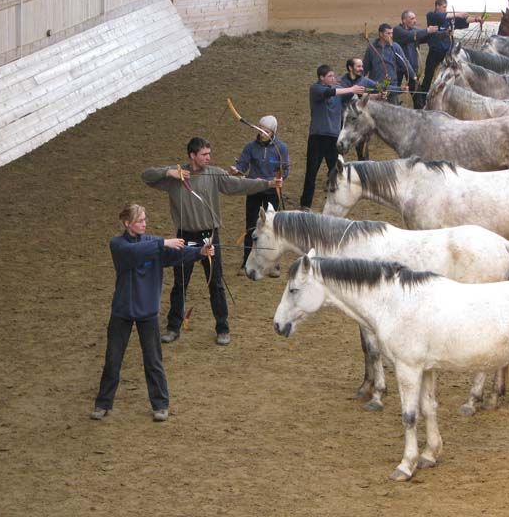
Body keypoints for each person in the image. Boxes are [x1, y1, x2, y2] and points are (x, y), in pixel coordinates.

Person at [142, 137, 282, 346]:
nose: (209, 158)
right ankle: (173, 327)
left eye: (209, 154)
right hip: (186, 237)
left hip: (209, 236)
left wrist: (268, 183)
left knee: (215, 283)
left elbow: (239, 185)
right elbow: (146, 176)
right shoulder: (176, 175)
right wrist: (168, 172)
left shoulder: (214, 174)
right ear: (192, 155)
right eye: (204, 154)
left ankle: (222, 327)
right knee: (181, 283)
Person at [90, 203, 214, 422]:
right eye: (140, 221)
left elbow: (176, 255)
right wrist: (164, 242)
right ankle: (103, 403)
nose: (144, 224)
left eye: (145, 220)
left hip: (147, 312)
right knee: (113, 359)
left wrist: (200, 253)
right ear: (127, 223)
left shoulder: (152, 243)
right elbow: (135, 252)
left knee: (153, 360)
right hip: (122, 311)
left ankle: (160, 404)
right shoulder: (118, 245)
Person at [299, 65, 365, 210]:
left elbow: (358, 97)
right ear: (321, 77)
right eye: (330, 76)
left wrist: (378, 95)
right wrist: (351, 89)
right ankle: (305, 204)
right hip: (317, 137)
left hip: (333, 139)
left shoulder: (340, 93)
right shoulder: (315, 89)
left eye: (334, 76)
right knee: (311, 172)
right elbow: (331, 92)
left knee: (337, 171)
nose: (333, 78)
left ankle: (339, 200)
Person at [230, 115, 290, 270]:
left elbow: (285, 169)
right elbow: (242, 165)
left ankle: (274, 262)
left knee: (272, 227)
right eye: (260, 129)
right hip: (254, 189)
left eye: (266, 131)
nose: (262, 132)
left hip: (272, 192)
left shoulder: (281, 148)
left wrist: (280, 177)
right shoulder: (250, 147)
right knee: (251, 225)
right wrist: (236, 170)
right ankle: (247, 259)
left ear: (273, 132)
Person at [420, 0, 482, 103]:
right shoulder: (432, 16)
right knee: (428, 76)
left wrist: (476, 19)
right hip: (435, 52)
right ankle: (421, 100)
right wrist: (458, 14)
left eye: (446, 7)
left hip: (447, 53)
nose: (445, 9)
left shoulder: (449, 18)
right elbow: (443, 16)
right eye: (443, 7)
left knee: (452, 74)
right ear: (437, 6)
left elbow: (464, 20)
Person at [339, 58, 385, 160]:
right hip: (344, 122)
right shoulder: (342, 82)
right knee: (340, 150)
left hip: (359, 122)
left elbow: (381, 87)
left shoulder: (364, 80)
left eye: (362, 66)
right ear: (350, 68)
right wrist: (357, 92)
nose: (361, 69)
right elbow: (344, 96)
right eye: (358, 66)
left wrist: (390, 85)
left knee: (363, 154)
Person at [393, 10, 439, 109]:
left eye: (415, 18)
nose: (415, 21)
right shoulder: (397, 30)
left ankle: (420, 112)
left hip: (411, 68)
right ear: (404, 20)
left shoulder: (414, 31)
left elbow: (428, 36)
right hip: (397, 67)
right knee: (393, 91)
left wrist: (444, 33)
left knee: (417, 94)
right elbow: (412, 36)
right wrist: (427, 30)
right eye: (412, 18)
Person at [362, 23, 411, 105]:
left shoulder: (395, 47)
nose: (391, 36)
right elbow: (365, 67)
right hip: (376, 86)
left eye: (391, 33)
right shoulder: (371, 48)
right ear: (381, 34)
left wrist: (413, 76)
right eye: (388, 33)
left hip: (391, 86)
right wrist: (358, 80)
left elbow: (404, 63)